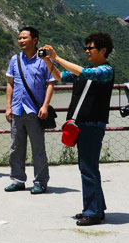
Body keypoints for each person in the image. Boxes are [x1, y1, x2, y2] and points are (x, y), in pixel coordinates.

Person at [39, 33, 115, 226]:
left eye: (91, 48)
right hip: (81, 125)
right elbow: (59, 76)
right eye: (86, 48)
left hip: (92, 124)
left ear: (103, 50)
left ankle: (92, 212)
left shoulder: (106, 70)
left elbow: (87, 74)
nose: (87, 51)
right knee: (87, 168)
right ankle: (97, 208)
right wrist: (49, 62)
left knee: (89, 169)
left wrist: (56, 57)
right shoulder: (87, 70)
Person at [4, 26, 55, 193]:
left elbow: (50, 84)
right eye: (19, 38)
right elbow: (10, 84)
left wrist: (45, 106)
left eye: (24, 38)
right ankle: (17, 179)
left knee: (38, 148)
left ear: (35, 40)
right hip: (17, 110)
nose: (21, 41)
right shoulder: (15, 60)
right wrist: (8, 107)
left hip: (35, 111)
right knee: (16, 147)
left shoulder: (44, 60)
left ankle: (40, 181)